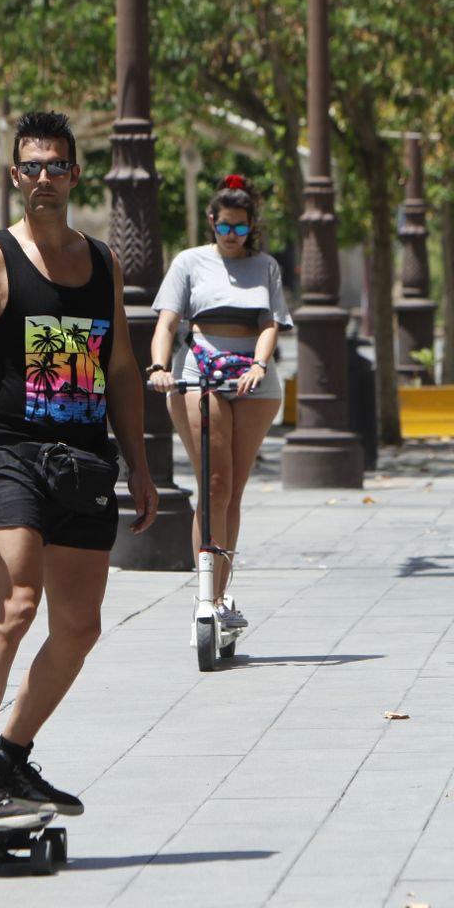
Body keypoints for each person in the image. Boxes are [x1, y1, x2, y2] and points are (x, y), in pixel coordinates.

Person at [0, 110, 158, 829]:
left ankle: (12, 754)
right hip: (12, 460)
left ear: (75, 175)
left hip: (85, 464)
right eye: (32, 166)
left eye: (57, 166)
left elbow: (119, 368)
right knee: (16, 606)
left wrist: (141, 469)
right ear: (15, 175)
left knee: (81, 627)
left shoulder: (101, 264)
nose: (45, 178)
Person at [146, 174, 292, 631]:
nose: (231, 236)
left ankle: (223, 597)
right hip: (199, 372)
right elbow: (167, 323)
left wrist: (259, 366)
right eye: (224, 226)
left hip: (253, 380)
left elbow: (270, 323)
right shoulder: (190, 263)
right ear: (212, 222)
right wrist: (158, 367)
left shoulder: (265, 266)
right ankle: (205, 596)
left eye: (240, 227)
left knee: (234, 490)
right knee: (214, 484)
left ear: (252, 227)